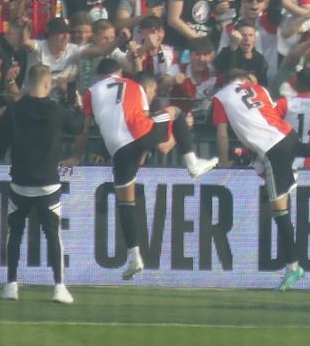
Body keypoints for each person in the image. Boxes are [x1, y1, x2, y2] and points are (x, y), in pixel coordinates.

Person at [69, 59, 217, 282]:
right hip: (140, 134)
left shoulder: (90, 92)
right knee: (176, 111)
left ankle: (134, 255)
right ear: (118, 73)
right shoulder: (134, 85)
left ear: (100, 76)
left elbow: (82, 130)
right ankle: (192, 162)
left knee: (125, 203)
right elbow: (147, 125)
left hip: (118, 150)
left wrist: (77, 156)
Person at [211, 67, 310, 290]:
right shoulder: (259, 89)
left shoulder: (221, 96)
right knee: (262, 169)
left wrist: (224, 161)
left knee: (280, 212)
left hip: (273, 151)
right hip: (287, 136)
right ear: (244, 80)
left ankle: (294, 267)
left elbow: (223, 132)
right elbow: (269, 118)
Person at [0, 64, 82, 304]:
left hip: (20, 183)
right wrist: (76, 102)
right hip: (48, 184)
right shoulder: (58, 111)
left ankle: (11, 285)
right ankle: (59, 286)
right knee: (52, 235)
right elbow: (78, 126)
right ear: (48, 84)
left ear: (28, 84)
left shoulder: (14, 111)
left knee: (14, 234)